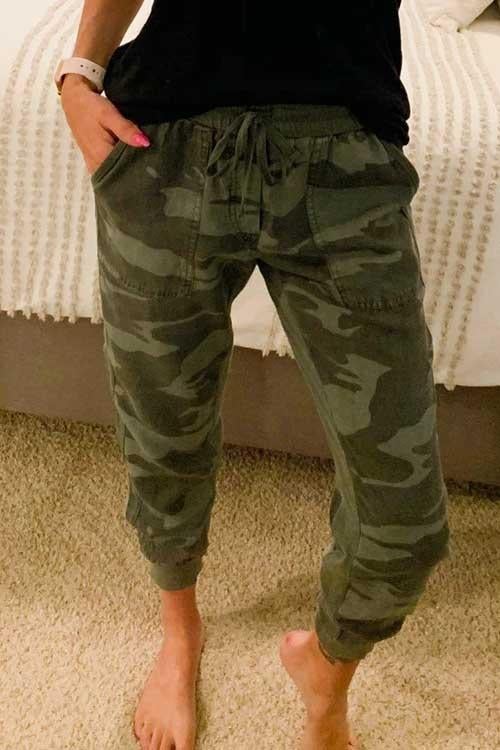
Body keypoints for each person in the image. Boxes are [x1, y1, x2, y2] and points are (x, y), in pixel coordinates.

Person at [57, 1, 451, 748]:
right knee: (163, 431)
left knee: (405, 516)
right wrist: (78, 77)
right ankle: (180, 631)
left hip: (345, 160)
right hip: (169, 148)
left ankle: (327, 673)